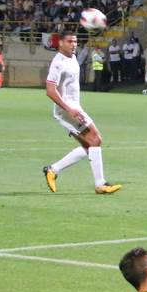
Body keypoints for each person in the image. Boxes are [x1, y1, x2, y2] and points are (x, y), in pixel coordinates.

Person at [42, 30, 121, 195]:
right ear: (61, 43)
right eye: (70, 41)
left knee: (88, 145)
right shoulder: (58, 62)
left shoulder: (73, 57)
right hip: (69, 110)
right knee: (96, 139)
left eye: (75, 41)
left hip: (72, 107)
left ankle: (52, 170)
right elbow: (50, 90)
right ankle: (100, 184)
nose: (74, 44)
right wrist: (69, 109)